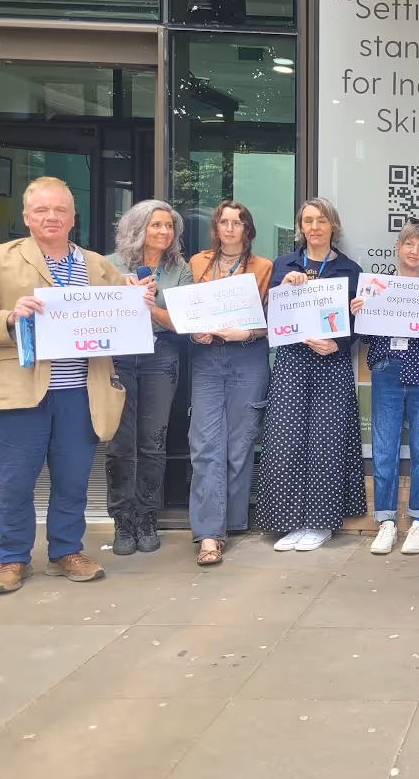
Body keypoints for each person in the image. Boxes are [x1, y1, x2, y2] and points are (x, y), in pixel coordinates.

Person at [0, 177, 154, 594]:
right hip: (21, 391)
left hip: (82, 391)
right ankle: (11, 558)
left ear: (73, 217)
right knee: (17, 480)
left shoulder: (96, 265)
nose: (51, 217)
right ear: (26, 217)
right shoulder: (1, 258)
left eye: (59, 210)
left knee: (73, 478)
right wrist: (9, 317)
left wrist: (138, 298)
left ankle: (67, 551)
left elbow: (125, 313)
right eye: (42, 210)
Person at [257, 198, 366, 552]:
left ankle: (320, 524)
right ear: (300, 227)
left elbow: (359, 322)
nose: (315, 227)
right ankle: (289, 521)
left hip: (331, 363)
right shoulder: (283, 265)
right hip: (291, 360)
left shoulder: (350, 269)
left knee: (326, 443)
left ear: (333, 226)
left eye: (322, 220)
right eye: (308, 221)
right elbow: (269, 313)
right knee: (286, 440)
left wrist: (340, 343)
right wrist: (281, 289)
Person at [355, 219, 419, 556]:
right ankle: (386, 522)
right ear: (398, 246)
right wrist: (358, 314)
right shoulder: (377, 286)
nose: (415, 251)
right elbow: (365, 336)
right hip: (386, 370)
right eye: (410, 244)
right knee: (384, 447)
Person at [187, 201, 274, 566]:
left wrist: (247, 332)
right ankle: (209, 534)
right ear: (216, 228)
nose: (229, 228)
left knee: (238, 446)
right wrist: (196, 334)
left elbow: (275, 321)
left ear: (247, 230)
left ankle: (232, 521)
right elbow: (187, 311)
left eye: (237, 222)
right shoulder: (197, 263)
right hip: (207, 359)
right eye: (223, 222)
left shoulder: (264, 267)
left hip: (248, 356)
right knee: (206, 444)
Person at [104, 199, 192, 555]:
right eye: (156, 225)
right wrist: (122, 297)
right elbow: (96, 313)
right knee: (120, 443)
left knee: (153, 442)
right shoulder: (108, 265)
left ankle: (147, 519)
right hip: (120, 359)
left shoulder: (180, 269)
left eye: (169, 226)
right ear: (137, 228)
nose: (164, 232)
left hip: (162, 358)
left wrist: (149, 307)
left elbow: (182, 322)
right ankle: (122, 522)